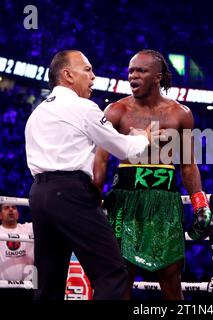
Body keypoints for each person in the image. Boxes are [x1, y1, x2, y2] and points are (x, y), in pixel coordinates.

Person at [25, 50, 159, 300]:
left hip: (39, 195)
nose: (93, 77)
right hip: (70, 193)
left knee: (48, 281)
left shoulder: (37, 113)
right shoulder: (83, 108)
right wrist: (142, 138)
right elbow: (122, 148)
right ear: (67, 75)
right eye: (87, 70)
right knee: (112, 273)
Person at [93, 49, 213, 300]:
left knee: (170, 277)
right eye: (130, 71)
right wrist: (95, 200)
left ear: (158, 77)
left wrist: (200, 205)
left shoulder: (180, 114)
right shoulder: (116, 111)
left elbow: (188, 165)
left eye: (141, 71)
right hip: (125, 200)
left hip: (164, 201)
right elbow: (101, 162)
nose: (132, 76)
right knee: (122, 275)